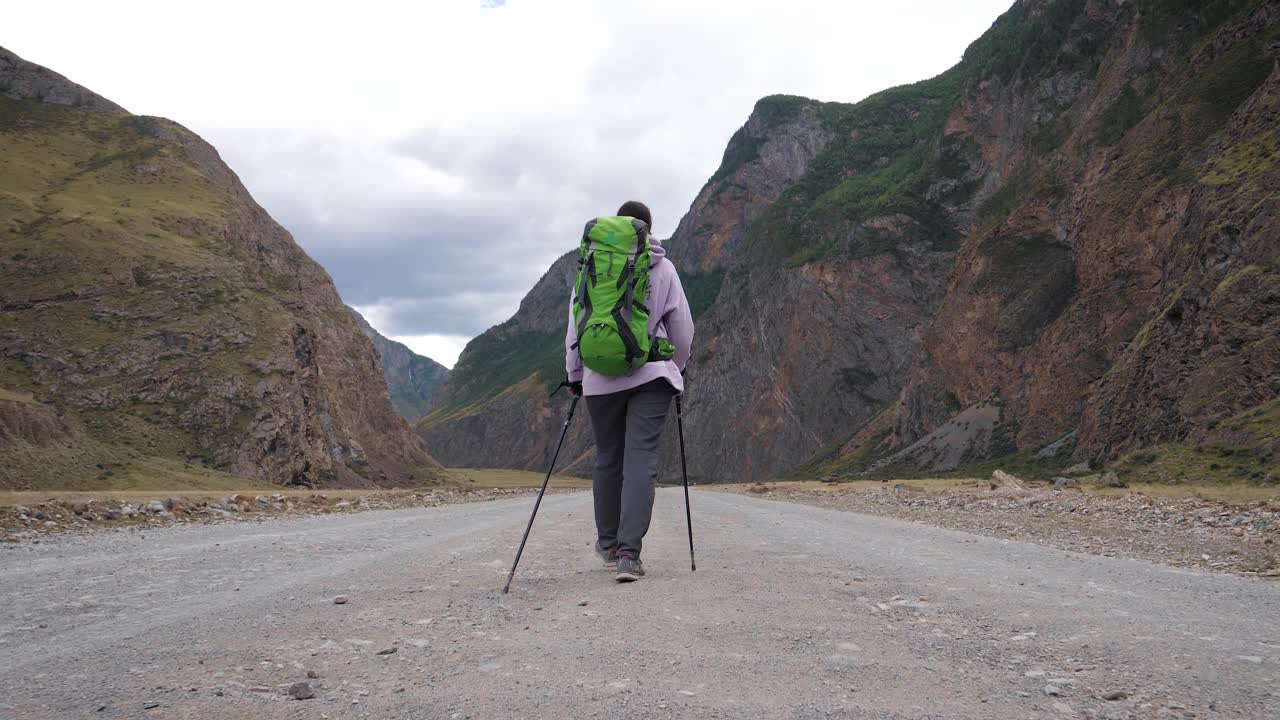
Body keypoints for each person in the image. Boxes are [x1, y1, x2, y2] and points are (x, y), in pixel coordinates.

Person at [565, 200, 694, 583]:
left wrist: (575, 375)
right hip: (652, 375)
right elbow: (683, 328)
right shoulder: (664, 268)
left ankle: (607, 544)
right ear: (649, 230)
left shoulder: (592, 266)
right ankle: (628, 555)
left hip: (599, 378)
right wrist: (676, 366)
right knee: (641, 460)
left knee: (608, 457)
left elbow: (576, 327)